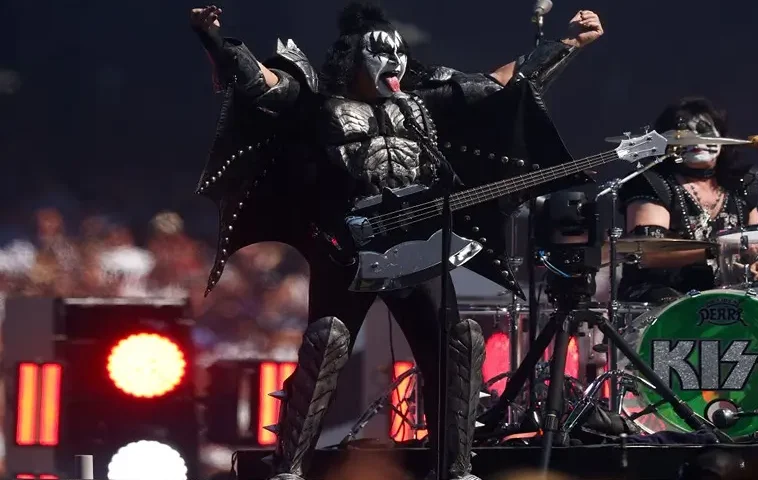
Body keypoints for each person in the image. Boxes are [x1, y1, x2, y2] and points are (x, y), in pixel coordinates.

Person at [189, 3, 603, 480]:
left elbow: (501, 85)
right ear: (353, 57)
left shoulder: (422, 102)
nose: (395, 62)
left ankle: (454, 468)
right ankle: (290, 467)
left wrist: (569, 44)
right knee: (328, 343)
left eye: (400, 53)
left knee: (458, 345)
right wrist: (213, 38)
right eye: (381, 52)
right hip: (345, 252)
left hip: (419, 252)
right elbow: (261, 82)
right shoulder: (317, 99)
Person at [618, 97, 758, 304]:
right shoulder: (653, 183)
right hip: (660, 298)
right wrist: (719, 248)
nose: (696, 141)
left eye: (705, 131)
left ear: (722, 138)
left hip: (727, 295)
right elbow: (647, 253)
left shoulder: (740, 183)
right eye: (684, 135)